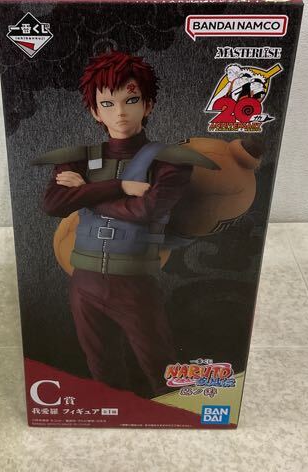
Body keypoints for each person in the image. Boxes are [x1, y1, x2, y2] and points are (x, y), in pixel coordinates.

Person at [33, 50, 214, 395]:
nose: (119, 113)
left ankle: (176, 419)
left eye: (131, 100)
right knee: (102, 370)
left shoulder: (169, 160)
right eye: (107, 103)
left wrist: (86, 193)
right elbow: (52, 204)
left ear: (148, 105)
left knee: (162, 371)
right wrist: (119, 187)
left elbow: (147, 210)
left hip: (135, 283)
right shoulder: (79, 158)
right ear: (94, 111)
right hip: (84, 282)